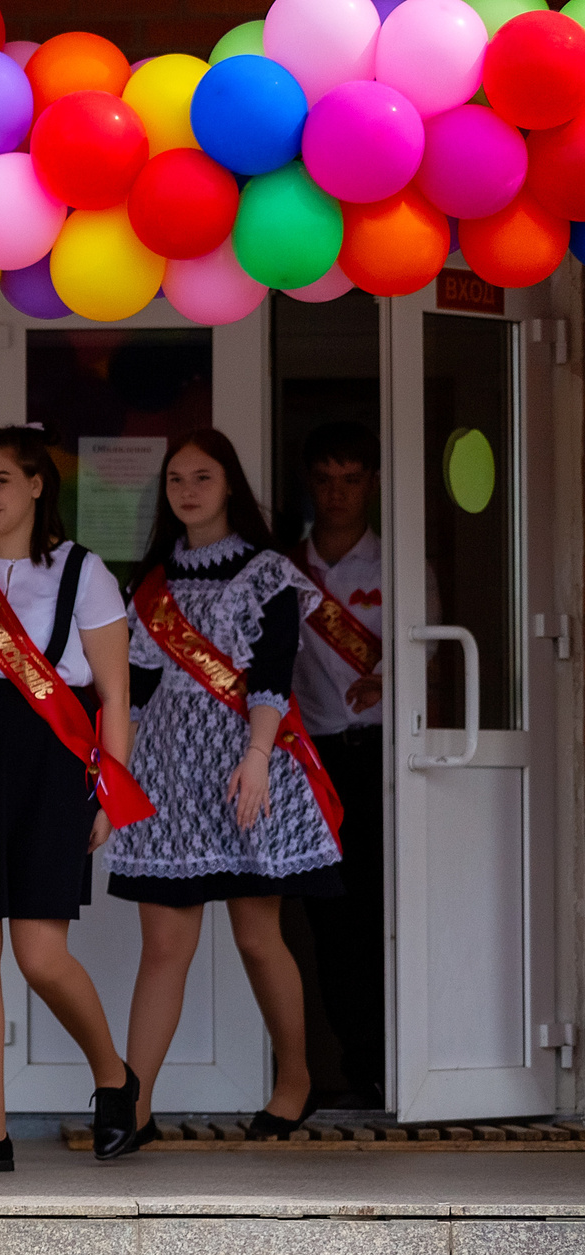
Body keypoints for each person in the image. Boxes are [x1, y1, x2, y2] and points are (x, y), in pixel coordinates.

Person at [105, 430, 345, 1151]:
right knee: (163, 946)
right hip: (167, 775)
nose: (187, 490)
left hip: (246, 767)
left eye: (202, 477)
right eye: (176, 479)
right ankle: (135, 1108)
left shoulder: (268, 573)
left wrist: (258, 757)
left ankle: (295, 1079)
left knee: (257, 936)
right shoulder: (152, 582)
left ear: (230, 484)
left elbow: (273, 674)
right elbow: (135, 689)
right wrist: (117, 776)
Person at [0, 428, 147, 1163]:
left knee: (39, 953)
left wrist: (107, 794)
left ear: (35, 484)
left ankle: (114, 1078)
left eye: (0, 480)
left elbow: (114, 695)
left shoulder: (84, 571)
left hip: (54, 766)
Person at [287, 420, 388, 1109]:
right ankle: (354, 1069)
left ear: (372, 484)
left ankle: (386, 1068)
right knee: (329, 922)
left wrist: (392, 682)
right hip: (311, 760)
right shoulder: (287, 569)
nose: (338, 493)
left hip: (381, 761)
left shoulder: (398, 565)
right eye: (325, 479)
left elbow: (428, 657)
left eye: (351, 479)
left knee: (378, 915)